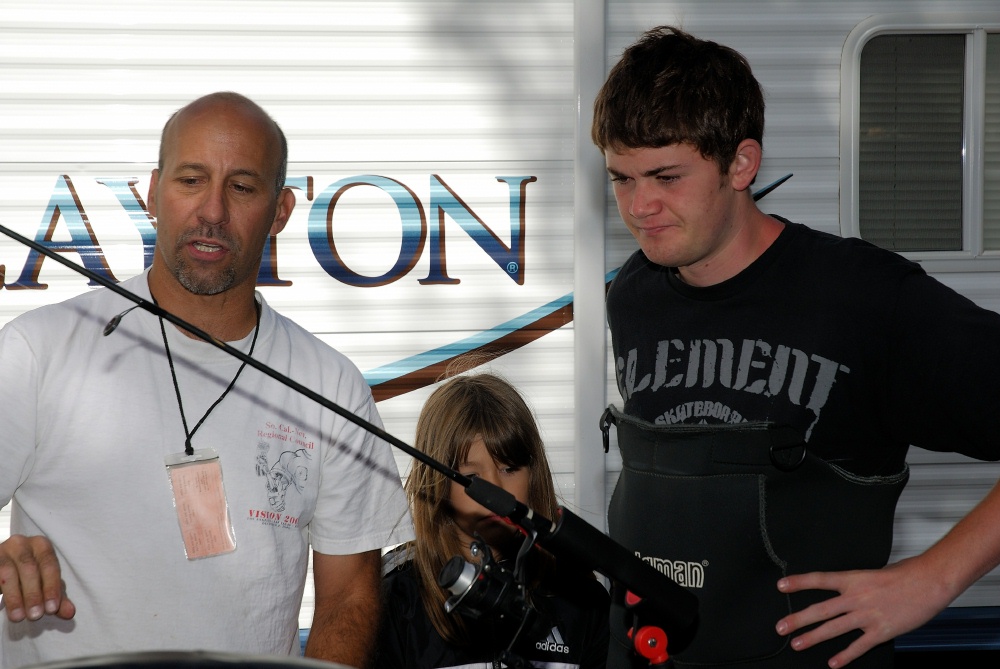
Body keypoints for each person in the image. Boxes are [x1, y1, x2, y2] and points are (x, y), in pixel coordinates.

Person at [592, 25, 1000, 669]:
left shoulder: (864, 298)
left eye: (666, 176)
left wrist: (935, 579)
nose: (640, 205)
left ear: (741, 164)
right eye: (621, 178)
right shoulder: (636, 295)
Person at [0, 91, 413, 668]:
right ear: (151, 191)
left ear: (281, 211)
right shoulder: (37, 351)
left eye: (242, 187)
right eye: (191, 180)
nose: (212, 211)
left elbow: (349, 596)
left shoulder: (331, 385)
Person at [374, 373, 610, 669]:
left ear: (534, 474)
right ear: (437, 481)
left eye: (510, 467)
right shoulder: (395, 598)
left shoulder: (581, 599)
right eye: (472, 477)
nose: (496, 488)